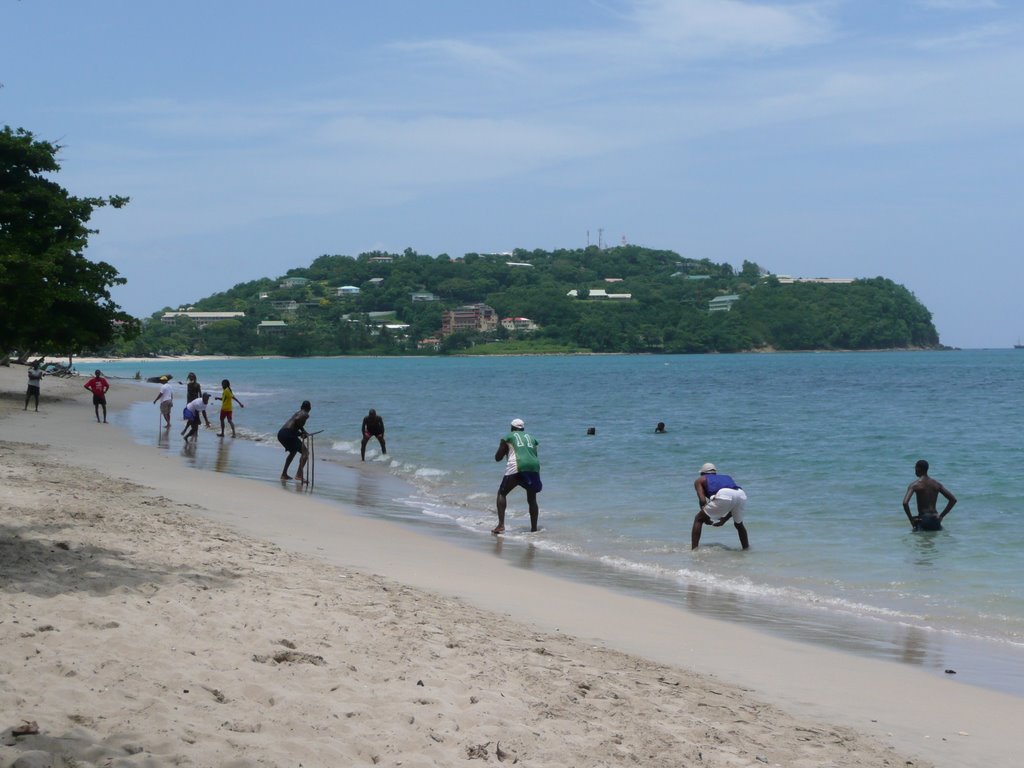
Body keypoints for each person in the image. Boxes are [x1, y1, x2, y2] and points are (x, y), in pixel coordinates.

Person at [493, 418, 542, 534]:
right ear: (523, 428)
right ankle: (534, 529)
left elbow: (498, 458)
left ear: (512, 428)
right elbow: (533, 454)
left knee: (502, 493)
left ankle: (501, 526)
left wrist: (503, 448)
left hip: (517, 466)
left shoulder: (508, 437)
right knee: (532, 498)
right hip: (534, 467)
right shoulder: (531, 438)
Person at [692, 463, 749, 550]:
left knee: (698, 519)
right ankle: (746, 549)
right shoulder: (727, 477)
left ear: (702, 473)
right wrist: (724, 519)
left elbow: (702, 500)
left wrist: (705, 518)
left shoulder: (700, 480)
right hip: (741, 494)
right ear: (715, 473)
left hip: (724, 494)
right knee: (739, 524)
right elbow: (733, 499)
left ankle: (694, 550)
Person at [902, 459, 957, 531]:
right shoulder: (936, 484)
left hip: (924, 520)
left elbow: (905, 503)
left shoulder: (915, 485)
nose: (914, 470)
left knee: (919, 540)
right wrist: (941, 516)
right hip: (935, 521)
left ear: (918, 468)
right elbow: (953, 500)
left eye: (915, 468)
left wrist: (911, 520)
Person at [278, 400, 312, 482]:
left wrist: (302, 432)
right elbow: (297, 421)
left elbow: (296, 424)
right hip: (288, 434)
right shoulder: (305, 414)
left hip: (281, 433)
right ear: (309, 408)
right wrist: (301, 433)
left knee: (293, 451)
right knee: (305, 453)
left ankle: (284, 474)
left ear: (301, 407)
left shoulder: (298, 412)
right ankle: (299, 475)